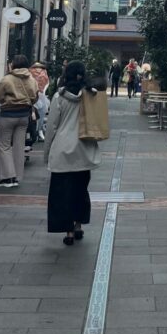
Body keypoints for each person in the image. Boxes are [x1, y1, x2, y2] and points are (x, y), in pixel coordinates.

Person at [45, 60, 101, 245]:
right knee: (80, 190)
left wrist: (47, 153)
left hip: (62, 150)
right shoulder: (90, 95)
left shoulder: (59, 97)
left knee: (62, 193)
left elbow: (52, 127)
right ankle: (78, 225)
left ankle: (68, 232)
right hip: (84, 149)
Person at [0, 55, 38, 187]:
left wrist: (5, 100)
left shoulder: (7, 79)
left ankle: (7, 177)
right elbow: (35, 98)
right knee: (19, 146)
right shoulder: (32, 80)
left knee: (4, 145)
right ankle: (16, 177)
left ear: (13, 65)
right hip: (24, 116)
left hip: (8, 115)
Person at [29, 60, 50, 140]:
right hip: (41, 95)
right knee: (41, 114)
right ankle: (39, 131)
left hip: (33, 94)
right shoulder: (44, 72)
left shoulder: (30, 71)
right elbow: (47, 83)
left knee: (33, 113)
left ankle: (34, 131)